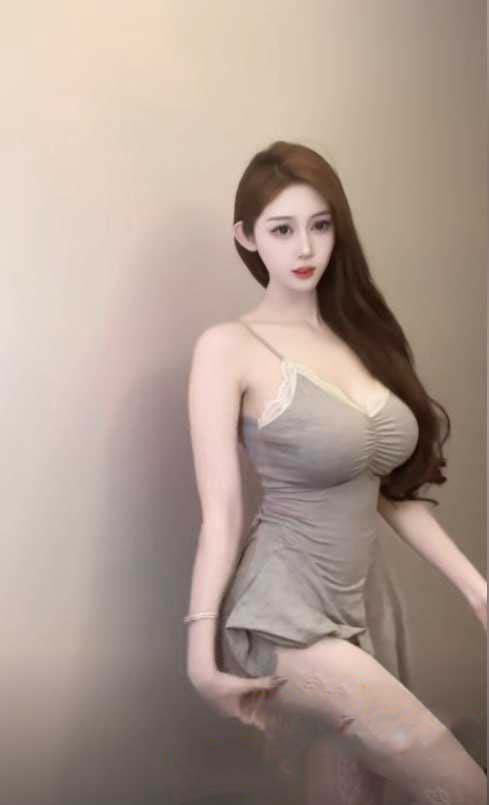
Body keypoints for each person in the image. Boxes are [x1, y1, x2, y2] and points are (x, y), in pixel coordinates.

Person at [184, 140, 487, 804]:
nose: (305, 248)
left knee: (352, 798)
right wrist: (200, 660)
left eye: (319, 225)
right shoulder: (228, 348)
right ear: (246, 236)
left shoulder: (361, 336)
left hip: (359, 609)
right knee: (463, 787)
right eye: (281, 229)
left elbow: (387, 491)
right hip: (280, 618)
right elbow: (222, 516)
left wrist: (476, 589)